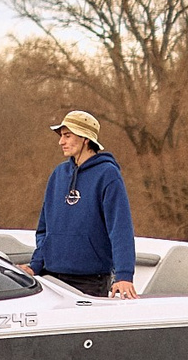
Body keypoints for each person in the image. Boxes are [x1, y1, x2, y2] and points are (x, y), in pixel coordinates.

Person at [25, 110, 138, 299]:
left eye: (67, 136)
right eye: (61, 136)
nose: (61, 142)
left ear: (85, 139)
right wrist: (35, 265)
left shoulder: (107, 174)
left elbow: (120, 228)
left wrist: (124, 275)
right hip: (50, 277)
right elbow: (45, 230)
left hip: (90, 281)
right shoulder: (58, 174)